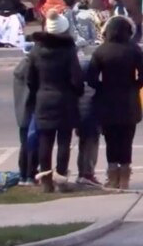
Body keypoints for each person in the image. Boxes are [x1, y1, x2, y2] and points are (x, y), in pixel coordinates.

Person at [86, 16, 143, 190]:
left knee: (111, 140)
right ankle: (125, 176)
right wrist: (135, 86)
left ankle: (112, 175)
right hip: (129, 99)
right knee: (126, 140)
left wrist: (101, 87)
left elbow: (91, 77)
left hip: (107, 99)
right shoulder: (134, 50)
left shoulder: (101, 51)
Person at [28, 11, 83, 193]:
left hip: (43, 97)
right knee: (64, 141)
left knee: (45, 140)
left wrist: (38, 92)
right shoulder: (68, 50)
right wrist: (77, 92)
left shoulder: (36, 50)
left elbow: (30, 79)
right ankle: (61, 178)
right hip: (65, 98)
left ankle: (46, 180)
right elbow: (76, 78)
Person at [75, 51, 100, 186]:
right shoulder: (92, 88)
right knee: (90, 147)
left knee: (83, 146)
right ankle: (86, 173)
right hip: (91, 121)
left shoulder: (77, 88)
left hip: (81, 120)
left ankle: (83, 173)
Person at [12, 49, 36, 185]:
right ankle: (30, 174)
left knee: (25, 144)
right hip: (30, 111)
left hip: (21, 114)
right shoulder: (29, 69)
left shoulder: (19, 71)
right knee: (32, 144)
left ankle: (23, 175)